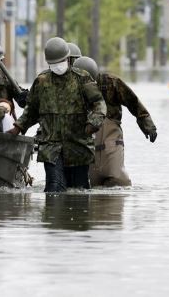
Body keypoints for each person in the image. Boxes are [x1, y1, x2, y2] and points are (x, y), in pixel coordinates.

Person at [10, 36, 107, 193]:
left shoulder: (82, 78)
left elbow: (99, 103)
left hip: (78, 145)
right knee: (54, 190)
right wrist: (18, 127)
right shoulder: (42, 81)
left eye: (60, 62)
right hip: (51, 146)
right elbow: (31, 109)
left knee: (79, 192)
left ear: (68, 59)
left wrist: (93, 123)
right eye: (53, 63)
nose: (58, 66)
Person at [73, 56, 158, 187]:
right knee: (90, 186)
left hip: (112, 141)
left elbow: (133, 102)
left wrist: (148, 125)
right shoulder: (71, 88)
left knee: (119, 182)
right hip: (87, 142)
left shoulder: (111, 83)